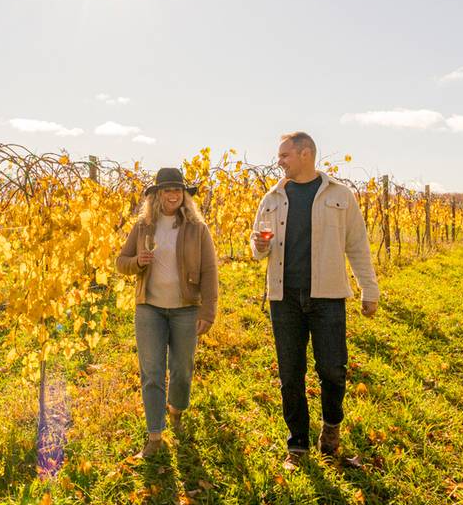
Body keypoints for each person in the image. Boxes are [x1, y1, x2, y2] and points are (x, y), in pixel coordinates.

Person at [250, 132, 379, 469]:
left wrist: (370, 289)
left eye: (284, 155)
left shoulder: (339, 195)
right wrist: (260, 247)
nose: (279, 161)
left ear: (305, 153)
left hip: (328, 297)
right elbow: (256, 246)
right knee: (290, 373)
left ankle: (331, 429)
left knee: (333, 370)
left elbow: (358, 246)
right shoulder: (273, 197)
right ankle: (298, 445)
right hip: (284, 297)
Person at [115, 167, 219, 459]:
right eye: (167, 190)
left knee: (182, 369)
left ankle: (176, 409)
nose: (173, 195)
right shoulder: (144, 226)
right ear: (157, 195)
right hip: (150, 308)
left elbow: (210, 271)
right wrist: (137, 261)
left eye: (177, 190)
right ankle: (154, 435)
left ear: (184, 195)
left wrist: (208, 311)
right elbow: (120, 262)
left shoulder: (197, 228)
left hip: (186, 309)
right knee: (151, 372)